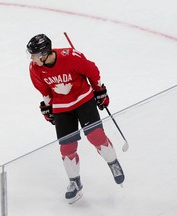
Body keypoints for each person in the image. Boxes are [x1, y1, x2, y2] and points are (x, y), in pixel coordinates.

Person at [27, 34, 125, 204]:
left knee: (96, 137)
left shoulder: (71, 56)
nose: (32, 58)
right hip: (62, 107)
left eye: (34, 55)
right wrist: (47, 107)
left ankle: (113, 163)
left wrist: (99, 90)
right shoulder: (34, 69)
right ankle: (75, 182)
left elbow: (92, 71)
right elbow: (44, 91)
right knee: (67, 147)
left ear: (44, 54)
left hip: (83, 100)